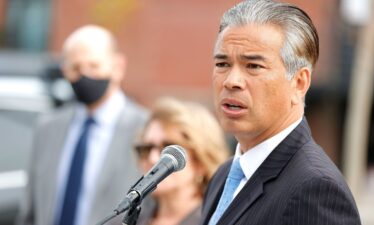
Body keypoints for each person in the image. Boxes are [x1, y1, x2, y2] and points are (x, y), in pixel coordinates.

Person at [201, 1, 362, 225]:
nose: (231, 81)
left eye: (253, 66)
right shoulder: (224, 176)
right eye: (222, 64)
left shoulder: (315, 189)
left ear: (299, 82)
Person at [17, 25, 148, 225]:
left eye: (94, 66)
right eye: (76, 68)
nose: (84, 75)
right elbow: (30, 210)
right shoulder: (47, 128)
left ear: (118, 66)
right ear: (65, 71)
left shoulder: (145, 130)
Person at [134, 97, 229, 225]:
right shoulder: (125, 221)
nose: (153, 158)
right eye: (146, 148)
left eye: (169, 149)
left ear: (201, 161)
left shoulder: (220, 220)